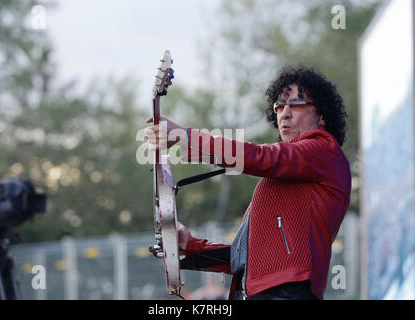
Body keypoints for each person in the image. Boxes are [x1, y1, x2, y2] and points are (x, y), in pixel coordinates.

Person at [144, 66, 351, 300]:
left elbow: (260, 157)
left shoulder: (323, 149)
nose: (285, 113)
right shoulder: (285, 178)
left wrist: (186, 137)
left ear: (321, 114)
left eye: (297, 104)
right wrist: (190, 245)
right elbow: (245, 259)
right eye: (280, 106)